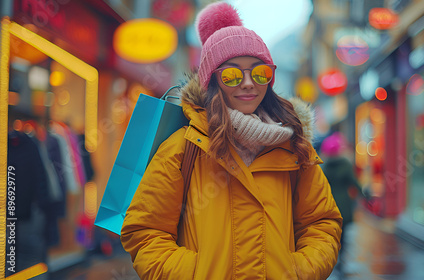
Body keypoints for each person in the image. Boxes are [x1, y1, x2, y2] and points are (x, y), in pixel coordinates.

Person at [121, 2, 342, 279]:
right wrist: (196, 273)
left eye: (260, 72)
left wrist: (298, 271)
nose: (248, 83)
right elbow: (144, 231)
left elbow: (321, 222)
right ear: (212, 81)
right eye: (232, 74)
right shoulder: (183, 147)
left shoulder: (295, 148)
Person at [320, 132, 366, 276]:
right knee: (344, 235)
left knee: (332, 234)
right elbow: (354, 183)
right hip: (344, 206)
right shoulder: (346, 164)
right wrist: (364, 195)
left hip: (329, 205)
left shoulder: (323, 166)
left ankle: (334, 258)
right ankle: (341, 259)